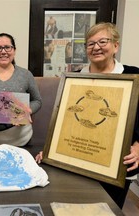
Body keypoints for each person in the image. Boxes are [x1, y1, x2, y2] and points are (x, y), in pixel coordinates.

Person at [35, 22, 139, 209]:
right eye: (90, 44)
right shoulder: (74, 78)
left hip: (115, 166)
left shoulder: (134, 77)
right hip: (77, 163)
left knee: (106, 210)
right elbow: (65, 121)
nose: (96, 47)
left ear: (116, 45)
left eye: (103, 41)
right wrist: (53, 149)